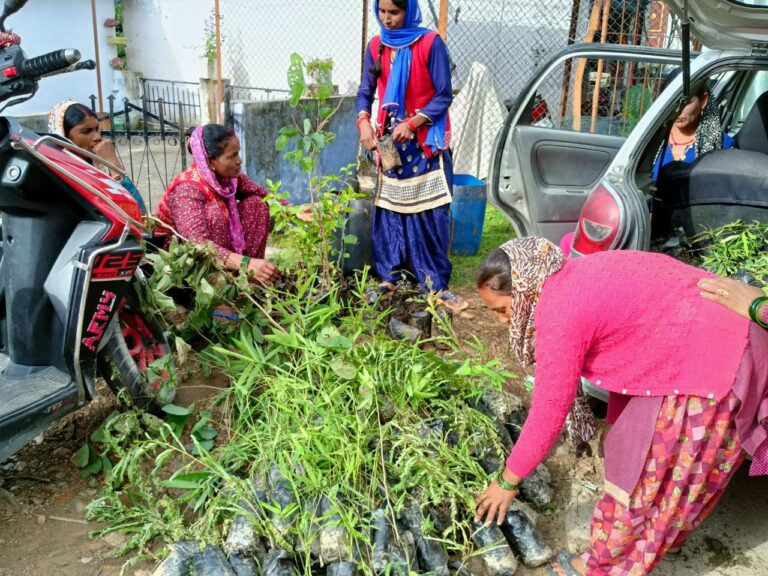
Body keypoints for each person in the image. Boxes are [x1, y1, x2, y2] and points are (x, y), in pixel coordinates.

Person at [473, 237, 768, 575]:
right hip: (723, 345)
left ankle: (604, 566)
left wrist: (508, 482)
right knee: (676, 473)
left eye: (502, 310)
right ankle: (663, 540)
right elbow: (632, 345)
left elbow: (549, 409)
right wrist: (615, 423)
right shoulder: (573, 275)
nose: (501, 321)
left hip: (716, 365)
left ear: (524, 292)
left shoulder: (559, 311)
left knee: (646, 478)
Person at [356, 0, 467, 312]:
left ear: (409, 11)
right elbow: (365, 92)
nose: (387, 20)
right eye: (382, 12)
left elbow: (443, 95)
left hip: (424, 139)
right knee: (391, 207)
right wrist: (364, 120)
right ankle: (391, 275)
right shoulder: (376, 46)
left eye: (395, 13)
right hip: (391, 140)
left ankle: (435, 283)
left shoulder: (430, 44)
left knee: (430, 210)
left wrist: (413, 122)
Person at [155, 124, 280, 286]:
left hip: (218, 250)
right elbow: (196, 244)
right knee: (215, 211)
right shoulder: (186, 189)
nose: (239, 160)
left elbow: (263, 194)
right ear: (210, 161)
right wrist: (246, 263)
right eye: (232, 156)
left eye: (238, 153)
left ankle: (250, 283)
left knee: (256, 204)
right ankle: (219, 286)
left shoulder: (229, 179)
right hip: (184, 260)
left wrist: (293, 210)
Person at [47, 100, 147, 214]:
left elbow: (140, 213)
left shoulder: (98, 167)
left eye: (97, 129)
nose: (97, 137)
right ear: (63, 136)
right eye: (86, 131)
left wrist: (113, 163)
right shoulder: (57, 175)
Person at [651, 70, 735, 182]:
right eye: (673, 102)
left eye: (686, 102)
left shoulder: (722, 146)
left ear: (704, 100)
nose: (678, 109)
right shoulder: (650, 142)